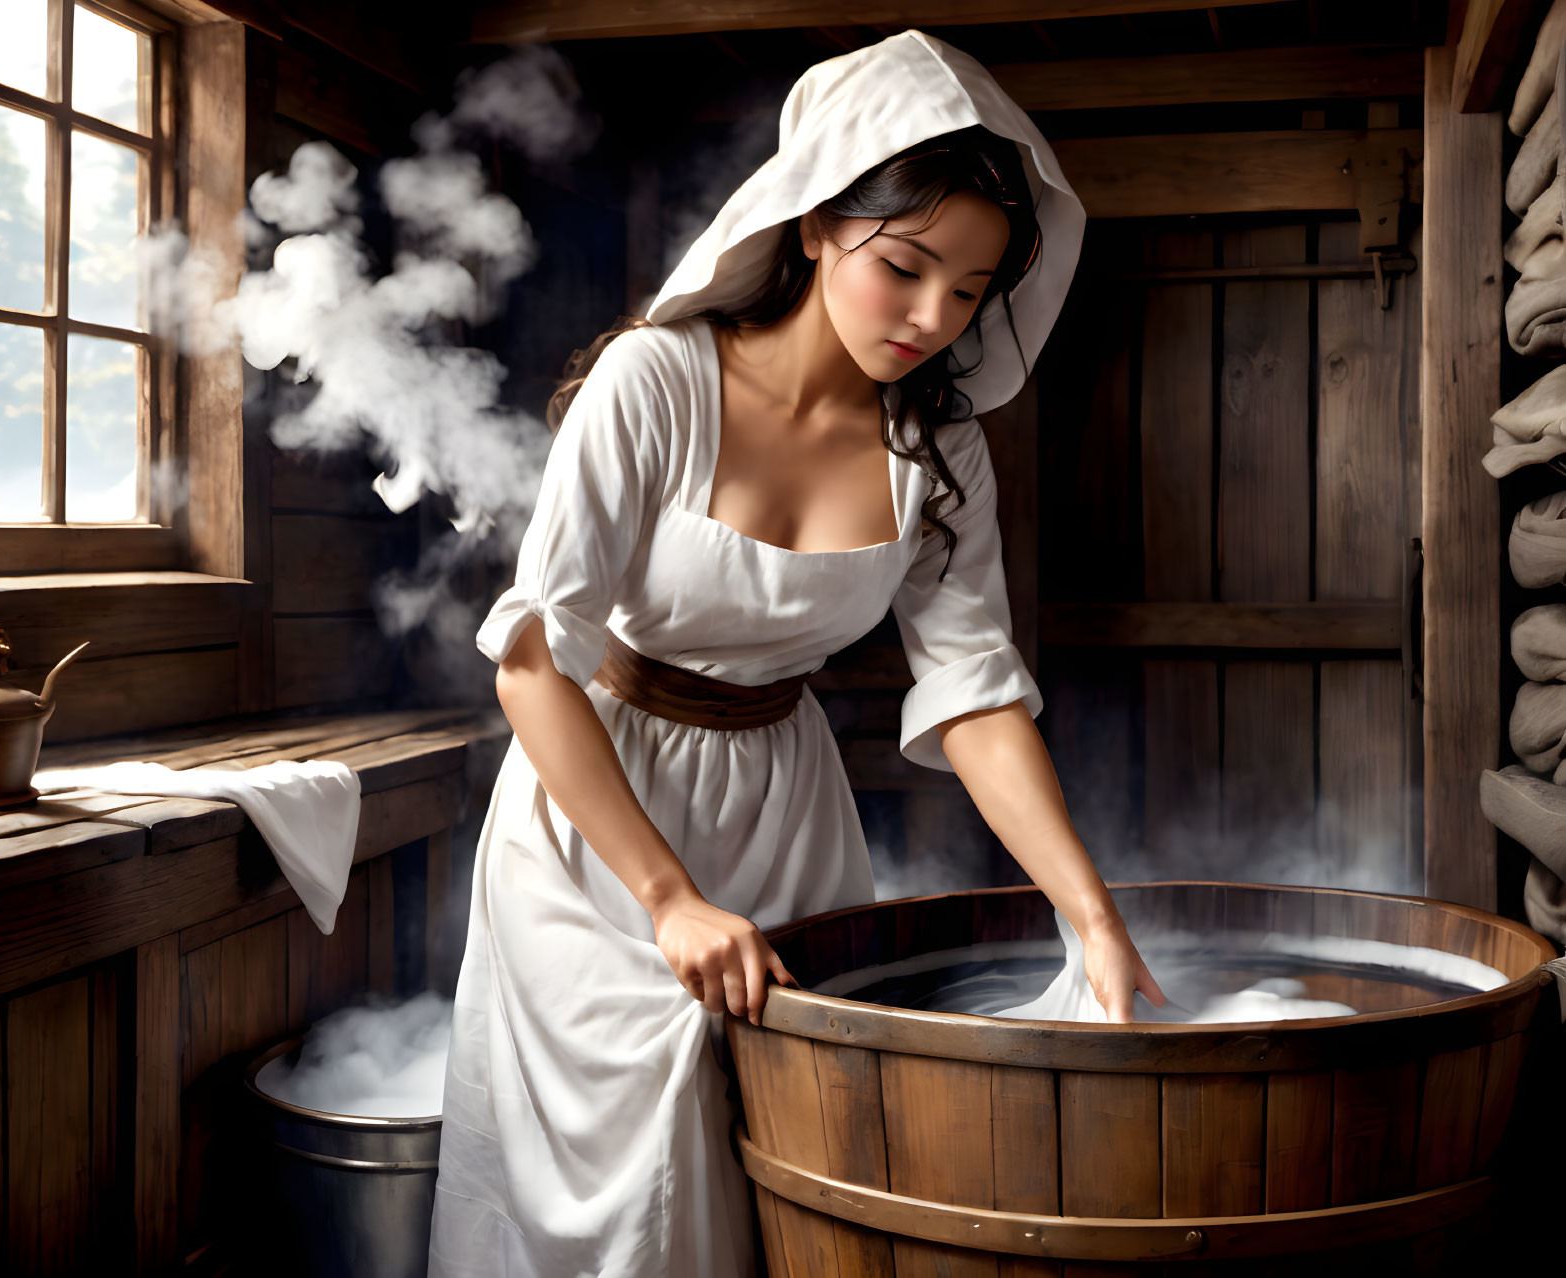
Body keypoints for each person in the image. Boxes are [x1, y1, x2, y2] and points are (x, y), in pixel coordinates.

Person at [426, 28, 1167, 1278]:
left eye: (972, 290)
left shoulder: (937, 452)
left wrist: (1086, 914)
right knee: (632, 1181)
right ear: (818, 221)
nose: (934, 319)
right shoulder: (655, 385)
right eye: (906, 267)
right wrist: (667, 901)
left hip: (786, 802)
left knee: (801, 1159)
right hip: (601, 817)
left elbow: (975, 692)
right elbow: (531, 663)